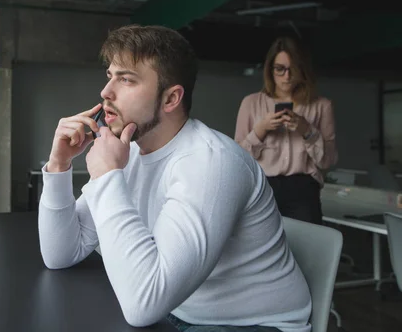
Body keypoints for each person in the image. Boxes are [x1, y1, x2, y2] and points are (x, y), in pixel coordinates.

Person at [38, 25, 312, 332]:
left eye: (126, 79)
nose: (106, 92)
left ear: (171, 99)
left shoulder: (210, 162)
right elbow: (61, 253)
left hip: (253, 325)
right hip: (175, 310)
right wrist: (59, 165)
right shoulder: (126, 154)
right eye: (109, 76)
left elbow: (143, 305)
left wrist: (106, 178)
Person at [235, 36, 338, 225]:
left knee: (307, 249)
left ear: (302, 69)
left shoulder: (322, 106)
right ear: (270, 70)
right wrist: (260, 130)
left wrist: (307, 130)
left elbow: (328, 161)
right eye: (280, 69)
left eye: (293, 69)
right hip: (262, 186)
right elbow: (238, 159)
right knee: (260, 249)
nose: (287, 76)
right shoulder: (251, 103)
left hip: (303, 188)